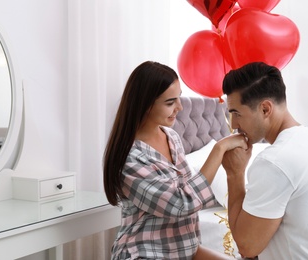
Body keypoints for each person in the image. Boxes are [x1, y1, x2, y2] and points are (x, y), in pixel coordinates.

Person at [103, 61, 247, 260]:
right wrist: (219, 149)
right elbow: (181, 204)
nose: (179, 107)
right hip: (144, 253)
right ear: (145, 104)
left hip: (184, 252)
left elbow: (188, 200)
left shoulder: (172, 138)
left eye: (178, 98)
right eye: (170, 102)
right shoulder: (130, 159)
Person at [221, 61, 308, 259]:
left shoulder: (274, 161)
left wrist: (235, 173)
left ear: (265, 109)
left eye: (236, 113)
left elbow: (246, 246)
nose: (233, 125)